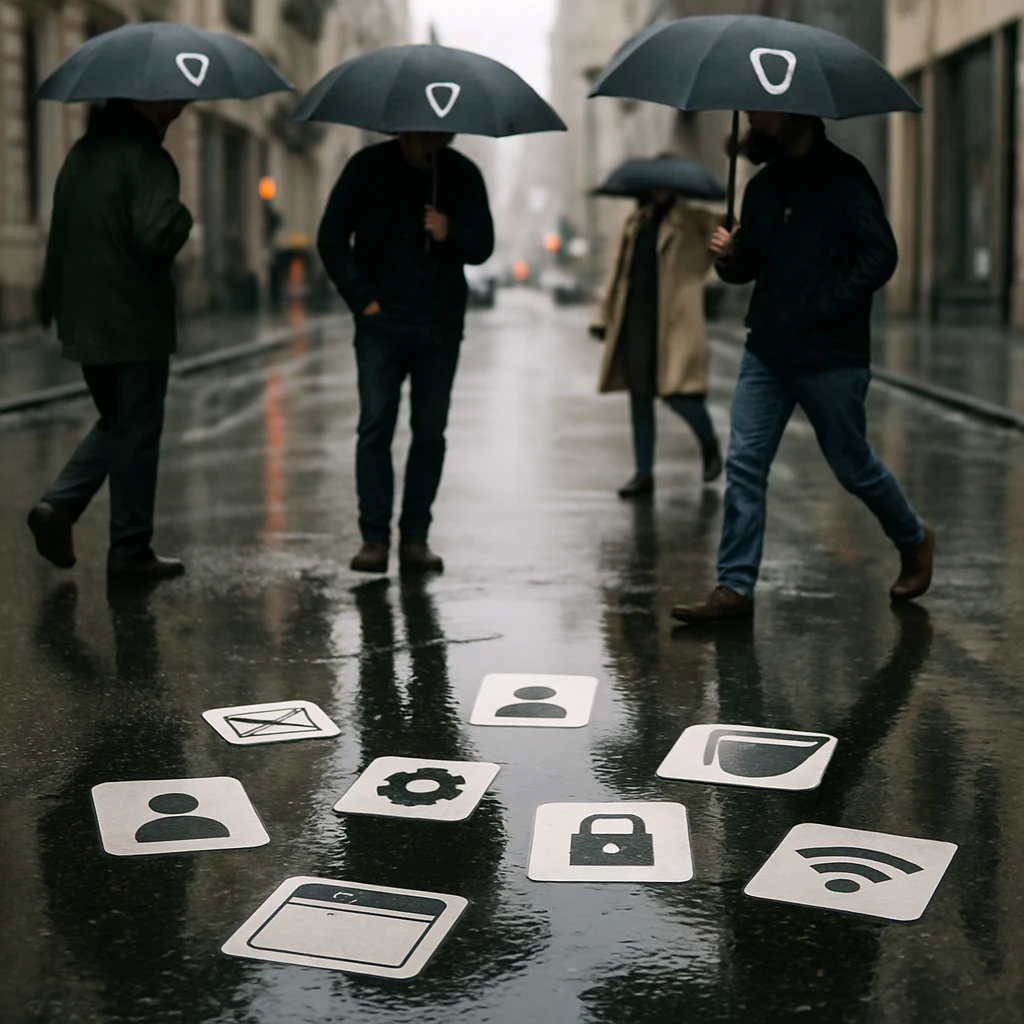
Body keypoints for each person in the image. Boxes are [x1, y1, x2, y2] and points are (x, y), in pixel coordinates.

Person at [672, 112, 934, 624]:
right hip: (767, 351)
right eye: (751, 114)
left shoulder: (845, 177)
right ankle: (735, 587)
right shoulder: (763, 186)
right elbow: (751, 267)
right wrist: (731, 256)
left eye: (765, 112)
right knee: (745, 464)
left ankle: (914, 537)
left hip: (831, 356)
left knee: (852, 465)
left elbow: (881, 253)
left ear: (798, 116)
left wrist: (826, 305)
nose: (756, 119)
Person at [28, 98, 192, 580]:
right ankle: (129, 549)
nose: (182, 107)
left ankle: (60, 509)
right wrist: (182, 217)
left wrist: (52, 302)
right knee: (136, 431)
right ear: (147, 100)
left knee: (119, 421)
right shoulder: (148, 159)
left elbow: (59, 235)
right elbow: (156, 234)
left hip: (83, 319)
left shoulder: (80, 155)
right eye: (176, 99)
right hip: (133, 321)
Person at [318, 131, 494, 574]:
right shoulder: (366, 168)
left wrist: (449, 230)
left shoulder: (461, 174)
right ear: (400, 129)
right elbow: (331, 238)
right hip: (381, 325)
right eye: (414, 133)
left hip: (439, 325)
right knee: (376, 425)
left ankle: (415, 538)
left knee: (430, 432)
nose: (423, 141)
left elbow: (483, 245)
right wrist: (363, 300)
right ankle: (374, 538)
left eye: (433, 134)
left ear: (447, 134)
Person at [590, 180, 723, 497]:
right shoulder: (636, 222)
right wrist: (602, 316)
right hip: (636, 318)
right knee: (639, 396)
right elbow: (617, 273)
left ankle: (709, 444)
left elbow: (728, 236)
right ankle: (644, 474)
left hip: (674, 320)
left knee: (678, 393)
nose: (657, 191)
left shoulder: (693, 218)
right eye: (653, 186)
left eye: (664, 186)